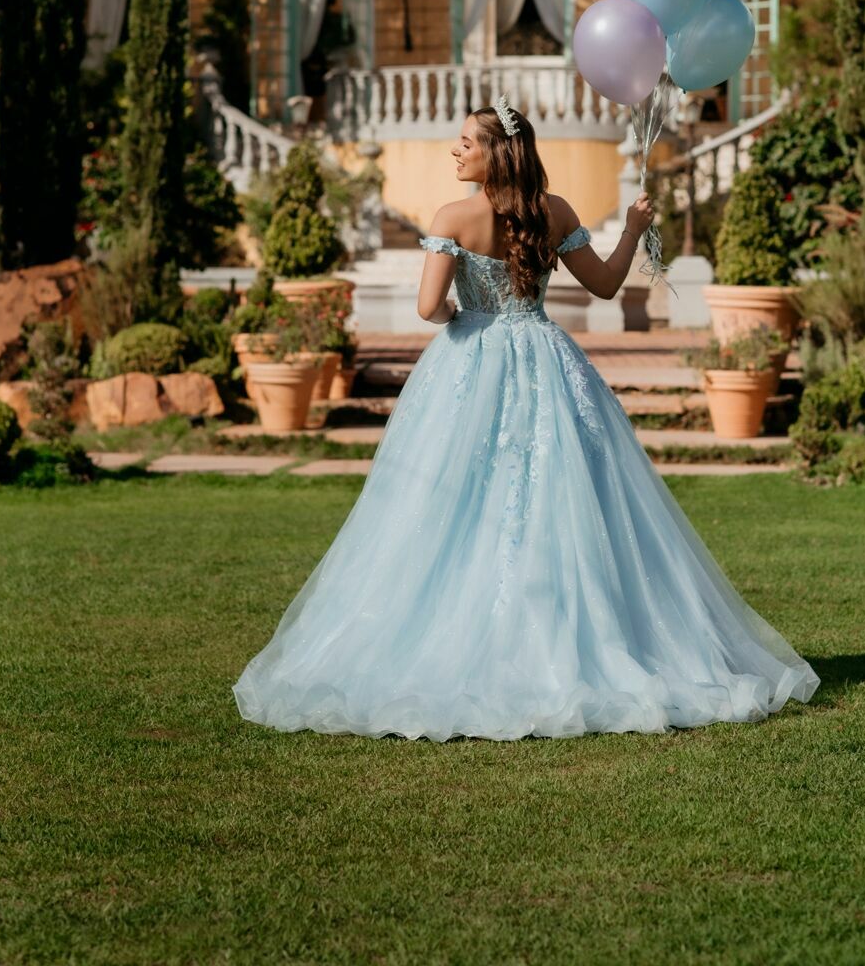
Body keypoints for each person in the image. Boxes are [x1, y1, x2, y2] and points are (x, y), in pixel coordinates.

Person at [233, 98, 819, 740]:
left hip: (468, 365)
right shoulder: (555, 211)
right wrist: (630, 228)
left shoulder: (453, 217)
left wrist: (461, 316)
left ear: (495, 152)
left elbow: (429, 307)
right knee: (555, 493)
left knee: (451, 499)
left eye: (465, 143)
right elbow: (601, 286)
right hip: (546, 355)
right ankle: (583, 638)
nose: (454, 151)